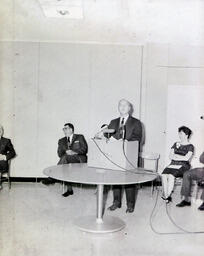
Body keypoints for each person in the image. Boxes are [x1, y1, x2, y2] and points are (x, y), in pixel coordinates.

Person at [107, 99, 142, 213]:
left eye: (125, 105)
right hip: (115, 156)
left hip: (129, 156)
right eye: (120, 105)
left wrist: (126, 142)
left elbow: (138, 138)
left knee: (129, 180)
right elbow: (109, 136)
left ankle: (130, 204)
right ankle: (116, 202)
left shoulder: (136, 122)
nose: (122, 107)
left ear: (129, 108)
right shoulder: (113, 122)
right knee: (115, 179)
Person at [42, 123, 88, 197]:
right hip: (66, 160)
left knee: (65, 160)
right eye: (63, 129)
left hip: (78, 159)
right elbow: (59, 154)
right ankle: (69, 190)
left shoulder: (79, 137)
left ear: (71, 129)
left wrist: (74, 152)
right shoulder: (61, 141)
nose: (64, 130)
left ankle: (52, 177)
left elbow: (85, 149)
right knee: (65, 164)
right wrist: (65, 151)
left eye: (66, 128)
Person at [161, 126, 194, 203]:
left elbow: (186, 159)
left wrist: (176, 156)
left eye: (181, 133)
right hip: (173, 164)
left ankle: (167, 196)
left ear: (186, 135)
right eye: (179, 133)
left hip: (184, 166)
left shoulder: (190, 146)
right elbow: (170, 156)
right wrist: (180, 157)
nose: (179, 135)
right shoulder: (175, 144)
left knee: (171, 176)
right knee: (163, 175)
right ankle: (166, 195)